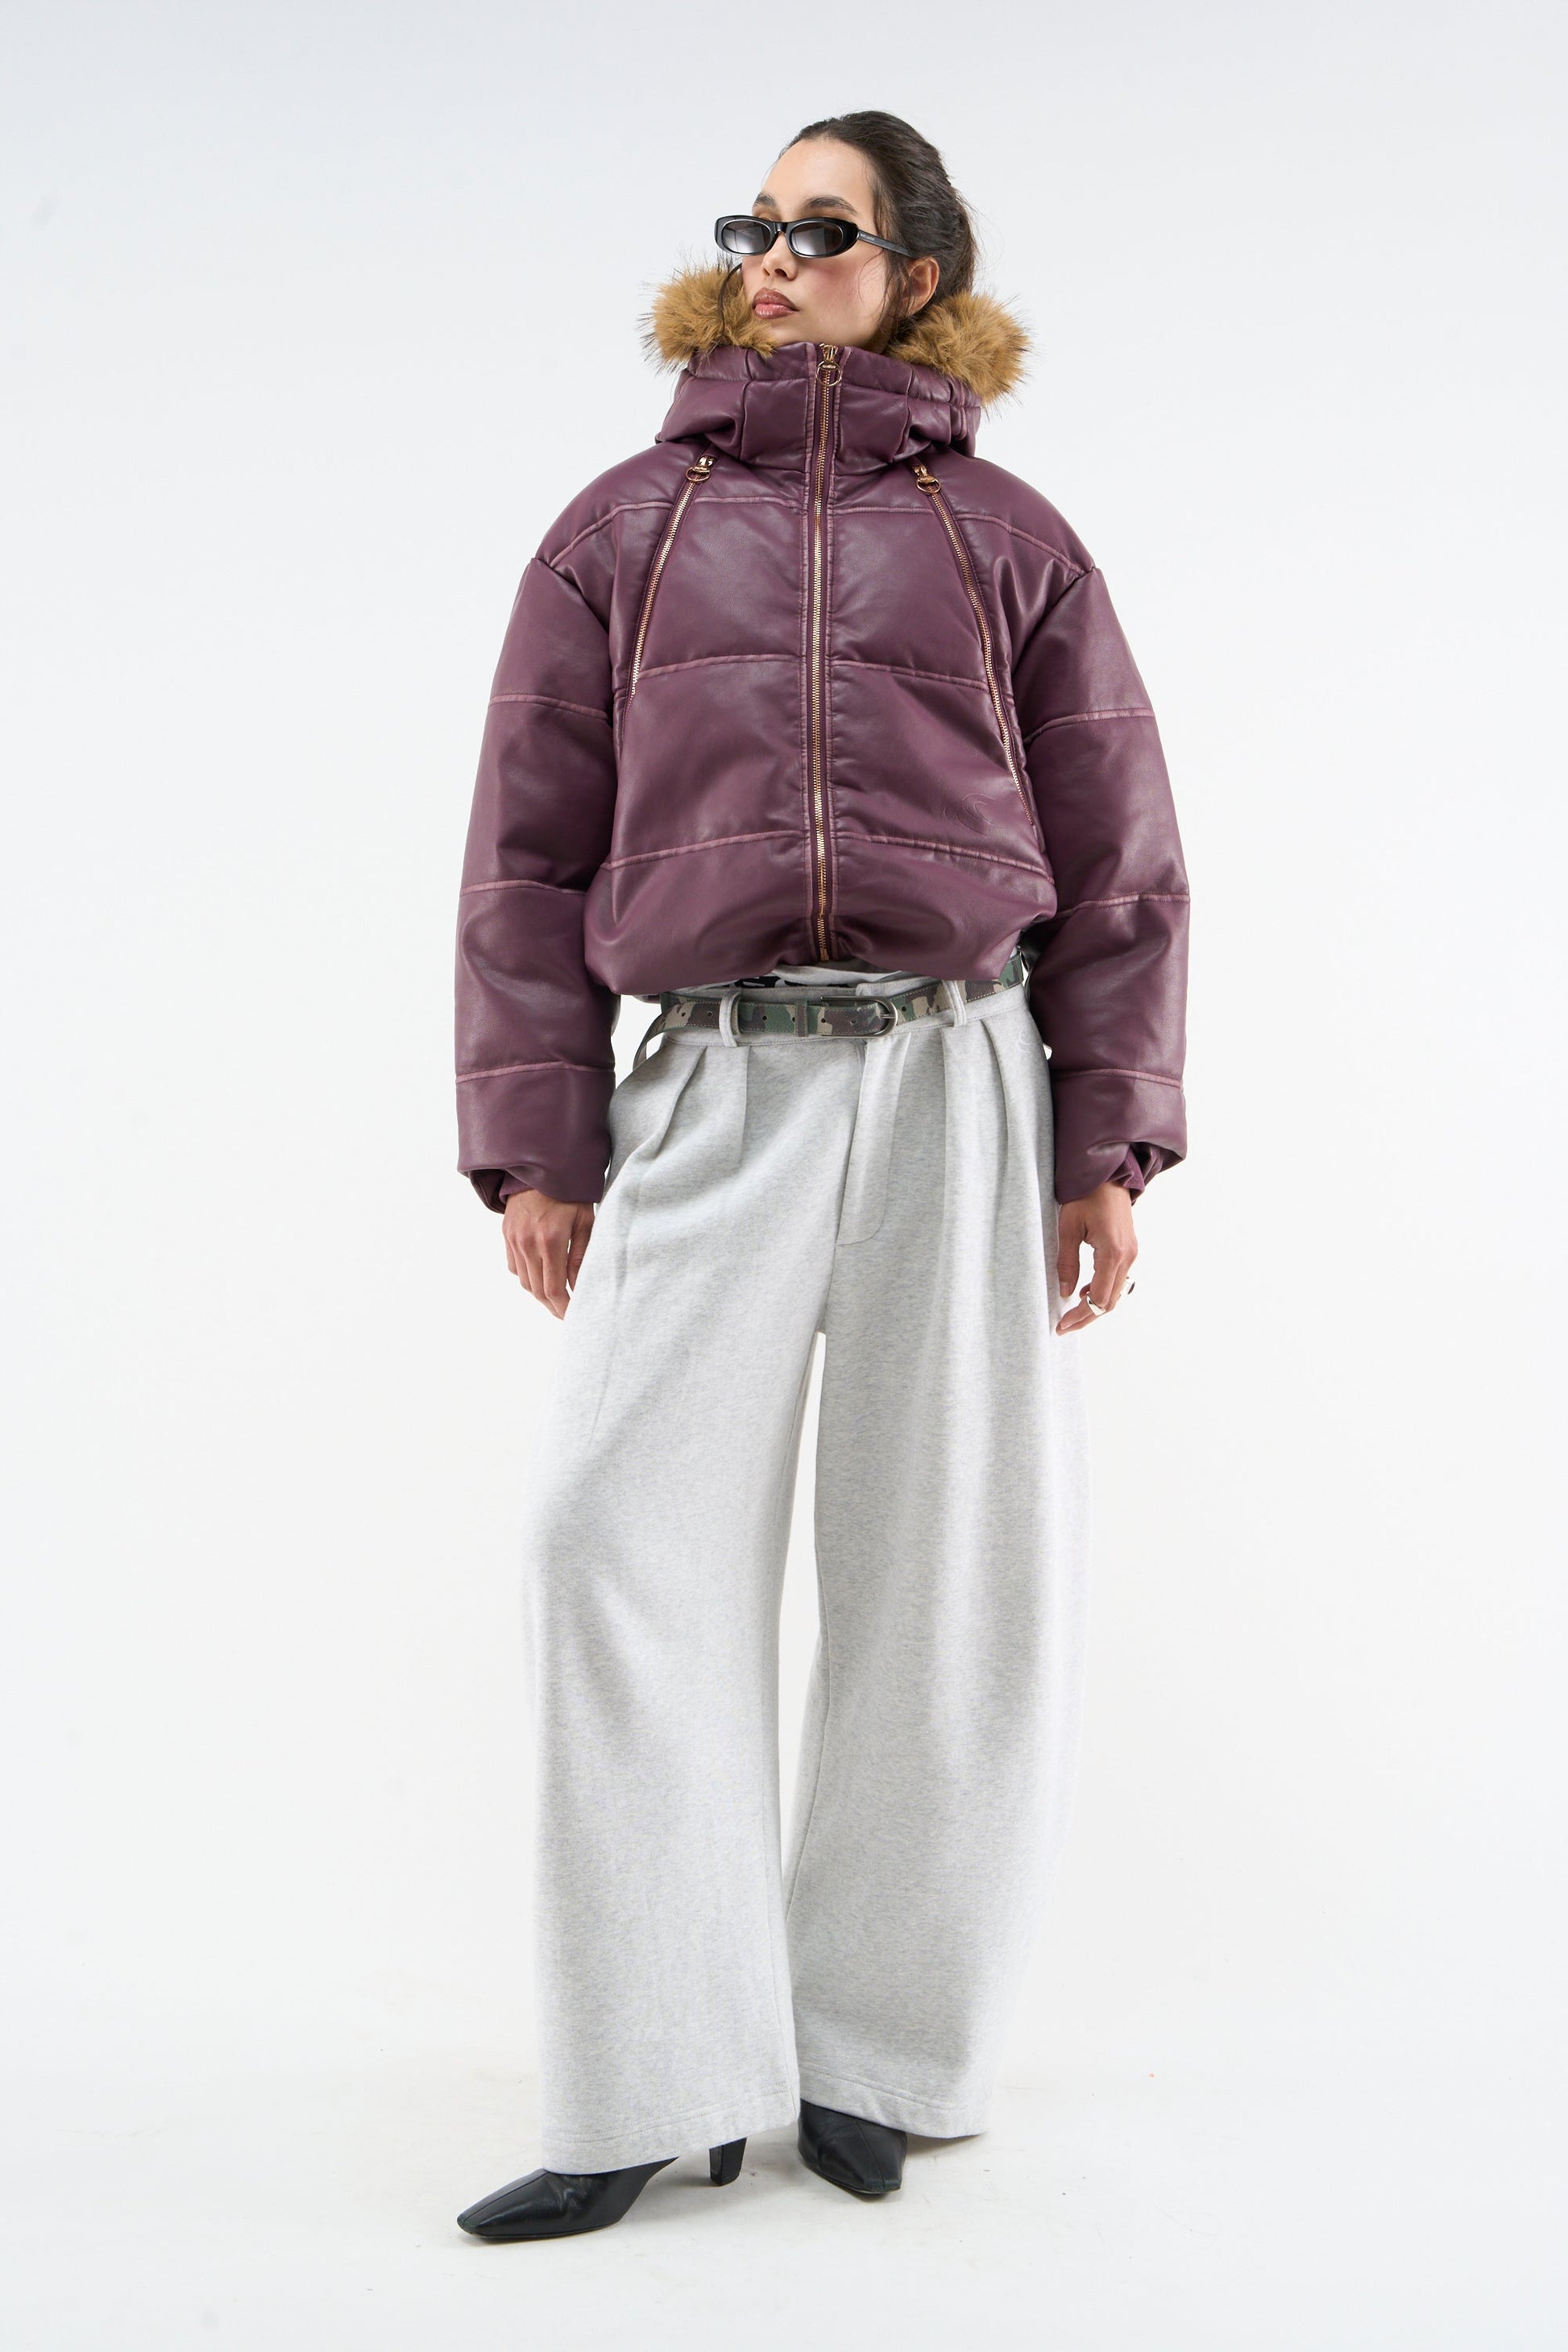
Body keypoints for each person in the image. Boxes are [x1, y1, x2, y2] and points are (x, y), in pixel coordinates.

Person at [450, 110, 1188, 2241]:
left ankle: (879, 2055)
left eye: (823, 228)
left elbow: (1121, 856)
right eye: (753, 224)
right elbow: (523, 850)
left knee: (946, 1572)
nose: (772, 257)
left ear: (915, 274)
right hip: (710, 1077)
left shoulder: (1009, 535)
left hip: (960, 1077)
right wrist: (537, 1137)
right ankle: (651, 2074)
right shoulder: (620, 528)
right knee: (609, 1540)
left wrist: (1107, 1137)